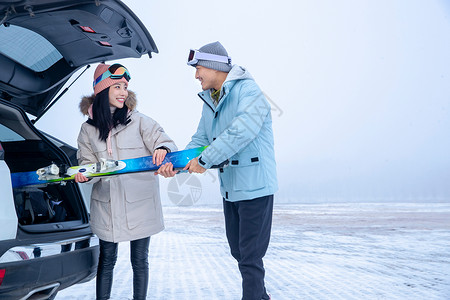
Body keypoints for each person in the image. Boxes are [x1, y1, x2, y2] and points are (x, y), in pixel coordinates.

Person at [157, 41, 278, 300]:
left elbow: (241, 131)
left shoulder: (249, 91)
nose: (196, 75)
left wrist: (205, 161)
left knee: (250, 257)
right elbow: (200, 140)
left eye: (199, 68)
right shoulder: (211, 100)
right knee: (240, 252)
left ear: (214, 66)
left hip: (255, 186)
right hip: (232, 189)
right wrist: (176, 165)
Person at [75, 63, 177, 300]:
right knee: (106, 260)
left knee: (139, 260)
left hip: (139, 203)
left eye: (125, 87)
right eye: (117, 86)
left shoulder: (139, 121)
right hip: (107, 205)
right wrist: (85, 174)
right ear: (102, 90)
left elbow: (163, 140)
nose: (123, 92)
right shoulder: (87, 130)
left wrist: (162, 149)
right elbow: (86, 162)